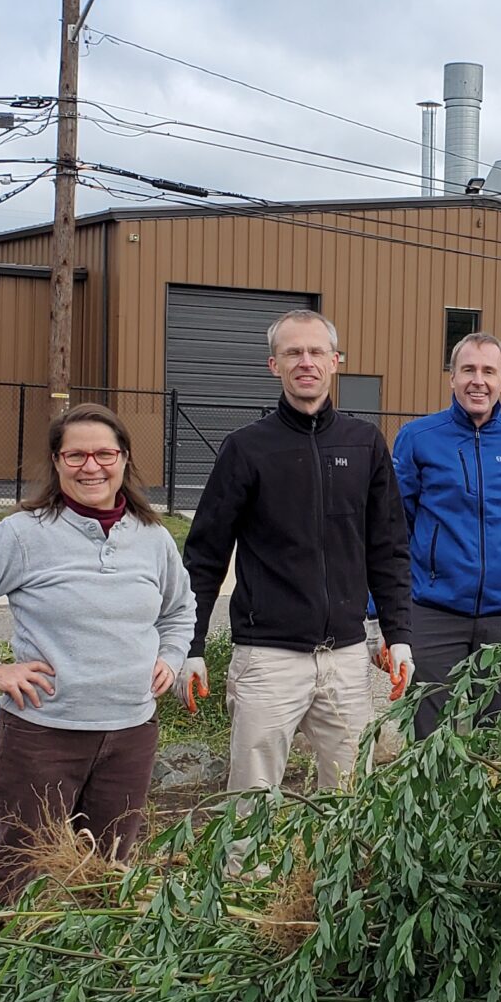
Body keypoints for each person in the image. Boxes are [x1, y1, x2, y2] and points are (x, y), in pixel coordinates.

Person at [0, 404, 193, 902]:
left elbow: (179, 609)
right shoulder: (23, 535)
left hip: (130, 735)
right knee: (21, 875)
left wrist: (170, 658)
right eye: (76, 455)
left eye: (105, 454)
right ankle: (1, 950)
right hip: (43, 736)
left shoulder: (152, 538)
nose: (92, 467)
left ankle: (88, 955)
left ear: (125, 459)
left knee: (105, 876)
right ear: (57, 461)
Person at [182, 310, 415, 796]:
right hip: (267, 658)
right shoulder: (246, 449)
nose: (305, 361)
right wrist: (191, 646)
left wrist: (398, 635)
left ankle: (336, 854)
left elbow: (388, 548)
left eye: (315, 352)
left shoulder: (365, 444)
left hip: (345, 657)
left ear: (335, 361)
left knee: (350, 797)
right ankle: (250, 852)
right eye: (293, 352)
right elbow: (205, 556)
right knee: (251, 799)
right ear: (274, 365)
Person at [391, 332, 501, 738]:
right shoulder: (418, 437)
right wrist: (380, 614)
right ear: (452, 377)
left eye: (489, 371)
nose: (478, 381)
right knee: (431, 739)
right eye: (468, 370)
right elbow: (393, 530)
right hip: (434, 612)